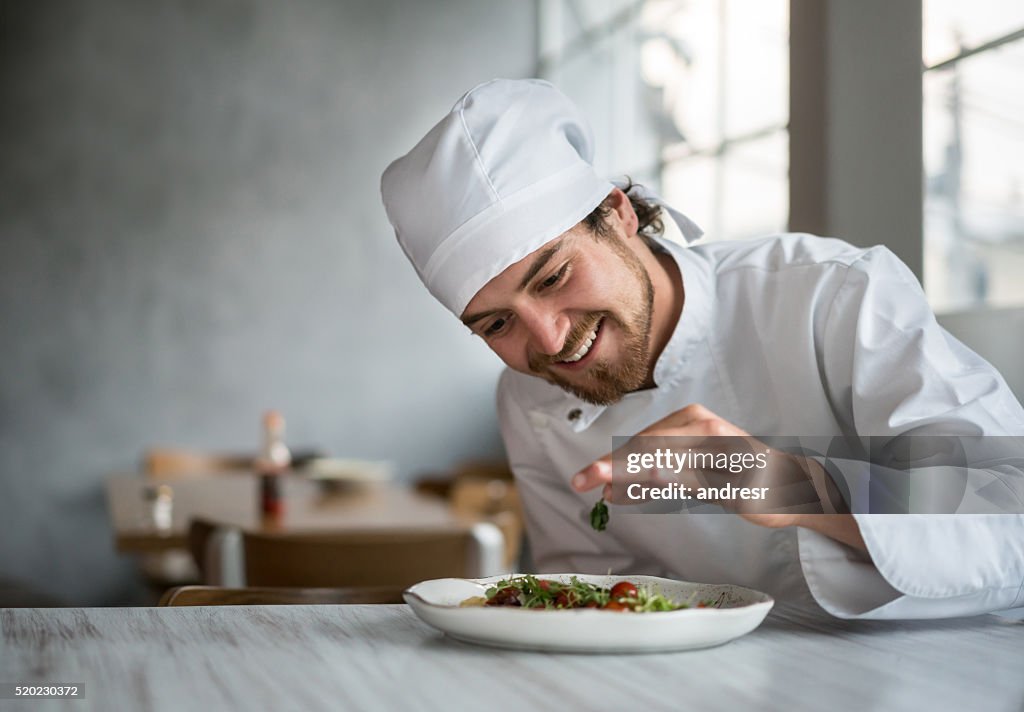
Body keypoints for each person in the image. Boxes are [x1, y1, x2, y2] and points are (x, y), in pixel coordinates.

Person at [381, 78, 1024, 618]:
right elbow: (590, 606)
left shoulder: (830, 294)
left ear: (618, 214)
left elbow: (1008, 503)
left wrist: (788, 485)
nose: (548, 341)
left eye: (553, 278)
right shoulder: (525, 399)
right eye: (496, 325)